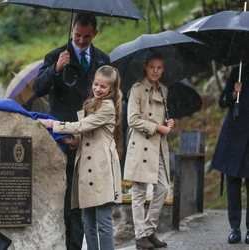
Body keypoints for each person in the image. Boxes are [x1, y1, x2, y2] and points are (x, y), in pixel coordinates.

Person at [32, 13, 110, 250]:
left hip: (90, 139)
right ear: (73, 30)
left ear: (94, 34)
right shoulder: (56, 56)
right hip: (61, 137)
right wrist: (55, 68)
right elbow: (37, 88)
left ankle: (77, 246)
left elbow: (111, 97)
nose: (81, 40)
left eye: (87, 36)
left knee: (81, 201)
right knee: (62, 199)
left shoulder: (103, 60)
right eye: (77, 35)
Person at [38, 65, 122, 250]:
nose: (98, 89)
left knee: (103, 221)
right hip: (86, 167)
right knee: (87, 220)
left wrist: (53, 124)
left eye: (103, 87)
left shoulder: (107, 107)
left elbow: (83, 125)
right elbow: (87, 135)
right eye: (96, 84)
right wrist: (75, 142)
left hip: (101, 168)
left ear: (111, 90)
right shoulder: (92, 103)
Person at [123, 51, 174, 249]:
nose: (155, 71)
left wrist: (167, 123)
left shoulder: (163, 90)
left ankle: (148, 230)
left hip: (158, 146)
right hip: (142, 145)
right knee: (139, 192)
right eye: (152, 67)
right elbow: (133, 120)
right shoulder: (136, 90)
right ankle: (141, 236)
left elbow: (160, 118)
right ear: (145, 67)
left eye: (159, 67)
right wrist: (158, 127)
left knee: (162, 188)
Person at [211, 64, 249, 245]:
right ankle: (235, 228)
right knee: (233, 182)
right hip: (233, 135)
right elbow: (222, 101)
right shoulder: (238, 70)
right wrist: (234, 93)